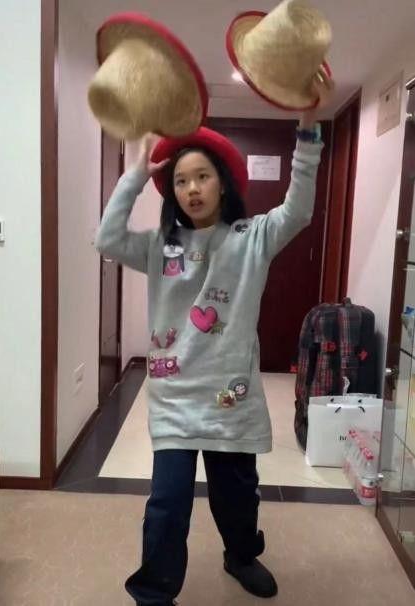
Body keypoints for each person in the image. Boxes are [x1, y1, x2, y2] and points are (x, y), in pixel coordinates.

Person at [95, 67, 335, 606]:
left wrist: (308, 123)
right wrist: (135, 175)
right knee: (167, 504)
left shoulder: (252, 238)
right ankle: (154, 592)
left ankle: (241, 555)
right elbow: (107, 239)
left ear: (222, 182)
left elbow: (299, 209)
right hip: (175, 401)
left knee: (237, 497)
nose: (192, 189)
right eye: (181, 181)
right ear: (172, 191)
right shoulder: (160, 246)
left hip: (232, 398)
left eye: (201, 177)